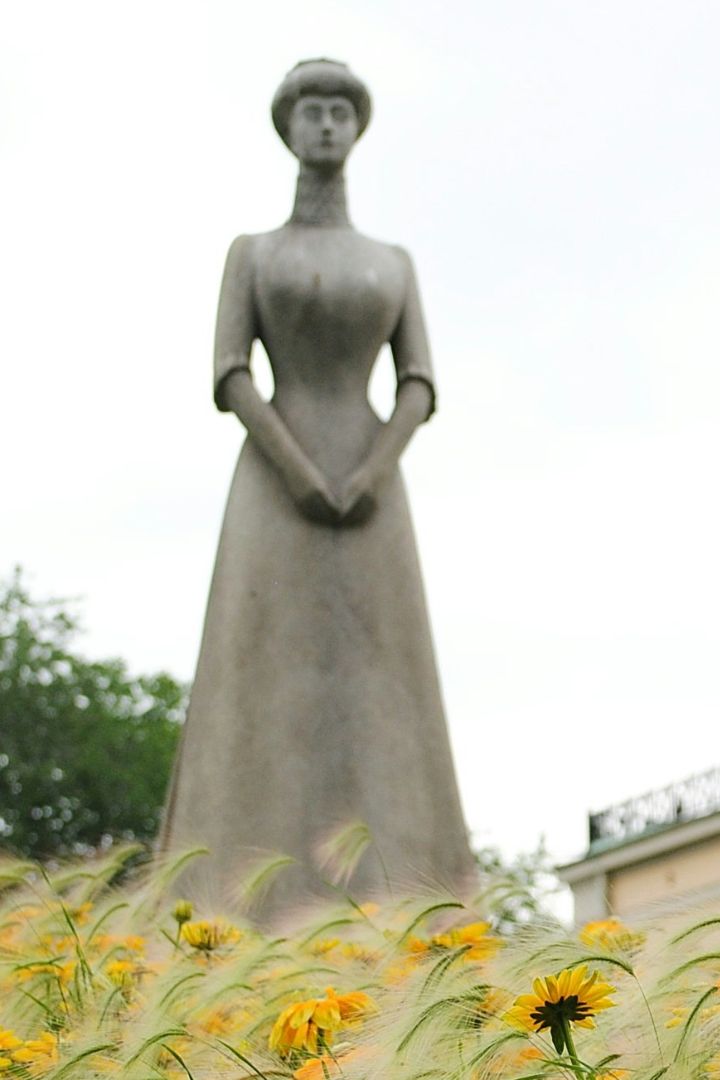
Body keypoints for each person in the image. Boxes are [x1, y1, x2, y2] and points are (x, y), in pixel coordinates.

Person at [161, 59, 473, 920]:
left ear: (356, 130)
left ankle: (414, 899)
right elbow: (231, 374)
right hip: (274, 484)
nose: (327, 125)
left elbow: (418, 381)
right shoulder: (254, 253)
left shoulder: (392, 262)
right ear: (289, 128)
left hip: (373, 489)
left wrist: (372, 469)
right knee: (261, 674)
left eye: (341, 112)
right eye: (312, 111)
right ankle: (234, 898)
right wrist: (299, 472)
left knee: (383, 687)